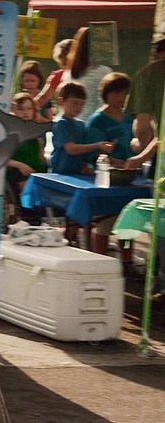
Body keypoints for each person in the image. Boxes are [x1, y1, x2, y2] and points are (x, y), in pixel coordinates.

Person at [124, 37, 165, 301]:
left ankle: (162, 283)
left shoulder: (150, 73)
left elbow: (142, 126)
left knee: (162, 221)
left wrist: (142, 151)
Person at [50, 81, 114, 246]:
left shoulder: (80, 125)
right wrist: (97, 145)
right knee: (71, 217)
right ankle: (68, 241)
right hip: (61, 176)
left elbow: (83, 152)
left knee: (84, 214)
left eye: (81, 104)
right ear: (61, 101)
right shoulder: (60, 123)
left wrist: (85, 166)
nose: (78, 107)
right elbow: (71, 148)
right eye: (75, 103)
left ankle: (80, 242)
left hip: (78, 176)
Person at [85, 72, 135, 264]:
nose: (121, 98)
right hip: (106, 177)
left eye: (124, 93)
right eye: (117, 93)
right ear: (106, 94)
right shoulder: (98, 119)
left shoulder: (129, 119)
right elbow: (93, 153)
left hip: (129, 177)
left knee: (129, 222)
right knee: (104, 222)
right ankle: (100, 262)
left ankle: (127, 264)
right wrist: (114, 161)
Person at [6, 93, 48, 225]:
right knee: (29, 187)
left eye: (29, 108)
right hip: (17, 173)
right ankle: (31, 219)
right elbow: (0, 159)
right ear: (14, 110)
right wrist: (19, 165)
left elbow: (41, 155)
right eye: (21, 109)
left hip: (38, 173)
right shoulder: (10, 132)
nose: (25, 112)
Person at [63, 27, 113, 122]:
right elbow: (103, 104)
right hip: (93, 125)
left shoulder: (68, 73)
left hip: (71, 123)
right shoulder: (104, 72)